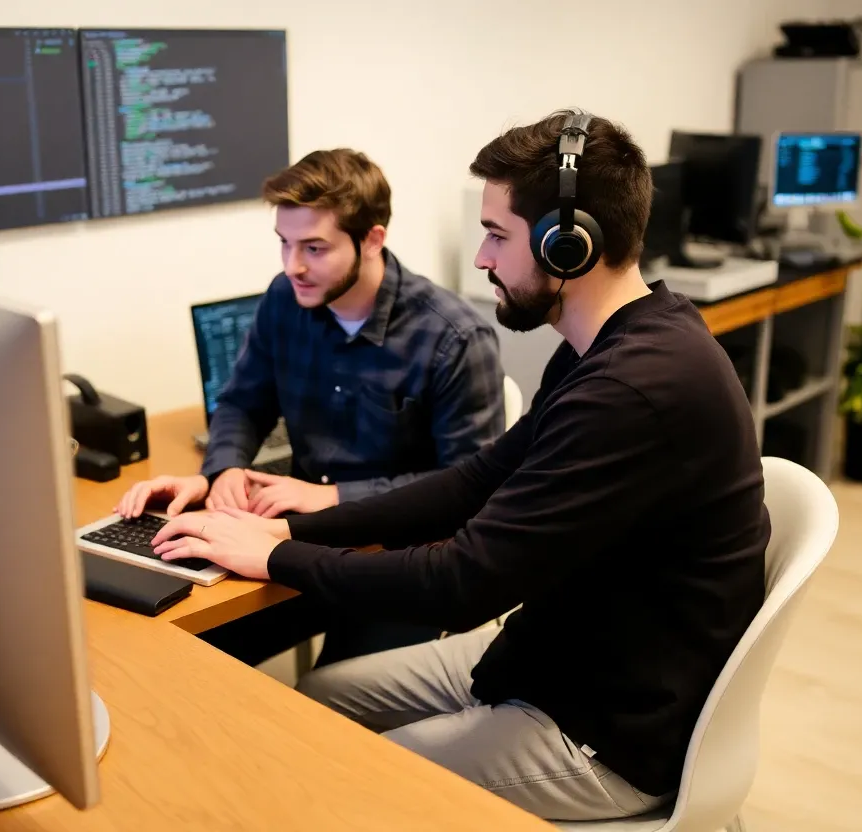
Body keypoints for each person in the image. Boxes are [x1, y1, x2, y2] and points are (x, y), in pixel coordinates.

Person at [146, 110, 771, 823]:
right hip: (552, 657)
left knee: (329, 772)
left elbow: (461, 585)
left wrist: (281, 556)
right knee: (319, 705)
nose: (480, 258)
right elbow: (475, 481)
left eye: (498, 236)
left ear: (568, 246)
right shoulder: (611, 343)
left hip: (605, 731)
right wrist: (293, 528)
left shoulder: (630, 390)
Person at [117, 147, 505, 666]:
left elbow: (466, 491)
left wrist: (335, 496)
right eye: (284, 244)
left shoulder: (455, 337)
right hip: (300, 545)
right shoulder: (285, 298)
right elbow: (240, 402)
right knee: (183, 655)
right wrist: (224, 467)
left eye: (315, 248)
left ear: (372, 240)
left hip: (400, 564)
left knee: (334, 708)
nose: (293, 266)